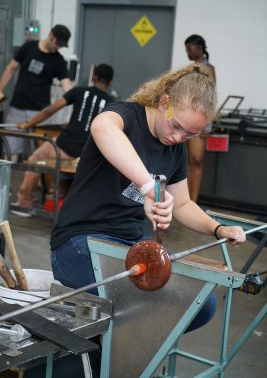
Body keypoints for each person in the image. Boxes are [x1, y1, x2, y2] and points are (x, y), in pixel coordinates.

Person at [50, 65, 246, 333]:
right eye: (175, 125)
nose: (177, 137)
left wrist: (218, 228)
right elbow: (101, 127)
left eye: (189, 134)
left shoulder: (176, 149)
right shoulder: (127, 116)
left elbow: (184, 204)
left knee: (202, 306)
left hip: (129, 246)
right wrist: (147, 186)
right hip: (79, 241)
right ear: (164, 101)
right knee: (133, 308)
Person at [11, 63, 114, 217]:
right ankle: (61, 201)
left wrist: (28, 124)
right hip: (88, 154)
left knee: (35, 160)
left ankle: (24, 202)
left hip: (65, 148)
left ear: (94, 77)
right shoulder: (112, 103)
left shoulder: (79, 91)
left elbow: (49, 110)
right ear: (110, 82)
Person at [0, 24, 73, 160]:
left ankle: (35, 181)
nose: (58, 47)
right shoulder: (29, 47)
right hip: (18, 107)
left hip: (41, 113)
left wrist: (75, 98)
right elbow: (11, 68)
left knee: (41, 154)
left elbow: (67, 85)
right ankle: (4, 181)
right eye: (58, 43)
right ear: (51, 36)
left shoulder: (58, 61)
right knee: (11, 152)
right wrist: (0, 89)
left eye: (61, 46)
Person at [184, 34, 216, 202]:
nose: (187, 52)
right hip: (185, 118)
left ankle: (192, 201)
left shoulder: (208, 68)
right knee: (187, 160)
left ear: (199, 47)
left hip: (199, 121)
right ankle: (184, 200)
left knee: (196, 160)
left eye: (189, 48)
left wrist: (206, 125)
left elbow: (211, 98)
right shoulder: (190, 68)